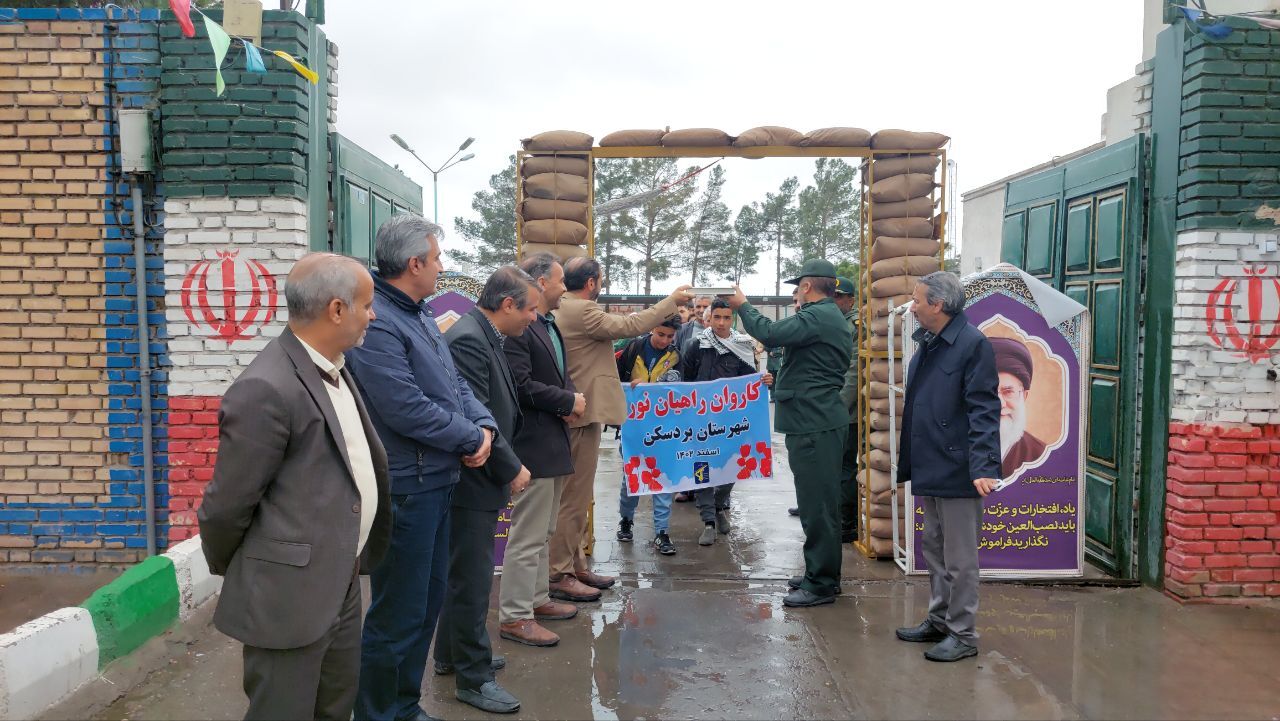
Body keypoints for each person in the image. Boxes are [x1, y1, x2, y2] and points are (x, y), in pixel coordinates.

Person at [197, 253, 389, 721]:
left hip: (338, 579)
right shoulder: (267, 387)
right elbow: (225, 507)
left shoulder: (335, 367)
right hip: (288, 596)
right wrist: (260, 570)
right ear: (337, 310)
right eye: (367, 305)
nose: (374, 314)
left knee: (334, 706)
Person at [345, 214, 500, 721]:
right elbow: (404, 407)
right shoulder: (381, 322)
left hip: (438, 482)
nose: (441, 268)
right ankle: (378, 713)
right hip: (407, 489)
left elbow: (455, 385)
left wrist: (484, 428)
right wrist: (468, 436)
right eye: (436, 260)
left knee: (427, 604)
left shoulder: (419, 313)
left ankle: (405, 706)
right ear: (414, 264)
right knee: (398, 613)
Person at [550, 258, 692, 598]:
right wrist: (671, 301)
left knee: (577, 497)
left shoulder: (570, 309)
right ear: (592, 282)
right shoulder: (581, 310)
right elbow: (631, 325)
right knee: (574, 499)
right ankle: (558, 574)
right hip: (579, 415)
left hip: (582, 411)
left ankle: (574, 566)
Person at [434, 267, 538, 714]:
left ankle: (450, 654)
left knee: (464, 575)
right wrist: (510, 467)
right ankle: (472, 677)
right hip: (472, 479)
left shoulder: (481, 331)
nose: (535, 318)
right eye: (531, 308)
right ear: (508, 304)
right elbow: (473, 415)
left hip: (479, 477)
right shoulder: (470, 339)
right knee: (472, 581)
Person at [723, 259, 852, 607]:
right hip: (816, 419)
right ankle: (821, 573)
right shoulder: (825, 317)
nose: (796, 294)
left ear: (808, 287)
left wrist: (743, 306)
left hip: (815, 421)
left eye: (797, 288)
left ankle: (821, 582)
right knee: (820, 504)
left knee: (817, 507)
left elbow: (771, 334)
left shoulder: (819, 316)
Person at [893, 271, 1001, 663]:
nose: (913, 305)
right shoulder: (930, 341)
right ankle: (939, 620)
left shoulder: (972, 344)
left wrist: (985, 465)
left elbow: (985, 409)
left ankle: (964, 633)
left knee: (960, 558)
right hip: (931, 459)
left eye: (918, 299)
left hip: (959, 466)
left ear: (937, 305)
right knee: (934, 549)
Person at [497, 253, 588, 648]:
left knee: (544, 530)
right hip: (532, 444)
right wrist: (565, 403)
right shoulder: (519, 330)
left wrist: (568, 399)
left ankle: (536, 600)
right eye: (559, 280)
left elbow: (558, 374)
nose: (564, 287)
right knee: (527, 535)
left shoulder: (547, 324)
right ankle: (515, 616)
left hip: (552, 441)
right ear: (539, 281)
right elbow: (519, 385)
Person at [679, 298, 773, 547]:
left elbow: (751, 380)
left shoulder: (743, 345)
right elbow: (683, 384)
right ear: (708, 319)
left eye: (726, 318)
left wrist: (764, 381)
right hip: (700, 422)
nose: (721, 323)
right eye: (716, 317)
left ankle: (720, 506)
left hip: (732, 423)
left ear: (733, 319)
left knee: (731, 468)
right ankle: (708, 521)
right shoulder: (694, 345)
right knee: (703, 472)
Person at [614, 317, 683, 555]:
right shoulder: (633, 349)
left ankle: (662, 532)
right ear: (652, 328)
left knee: (663, 480)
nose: (664, 340)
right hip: (633, 426)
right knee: (631, 478)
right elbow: (614, 379)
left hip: (665, 429)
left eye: (670, 336)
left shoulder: (677, 356)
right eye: (660, 334)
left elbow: (686, 389)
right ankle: (626, 519)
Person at [990, 336, 1048, 478]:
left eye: (1008, 392)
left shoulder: (1040, 454)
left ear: (1024, 396)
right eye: (988, 392)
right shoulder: (950, 449)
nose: (1000, 404)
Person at [833, 277, 861, 543]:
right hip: (830, 407)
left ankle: (846, 522)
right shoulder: (834, 322)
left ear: (851, 299)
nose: (835, 300)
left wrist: (839, 407)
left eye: (840, 296)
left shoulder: (854, 325)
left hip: (845, 411)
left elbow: (853, 372)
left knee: (844, 469)